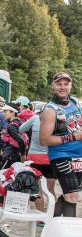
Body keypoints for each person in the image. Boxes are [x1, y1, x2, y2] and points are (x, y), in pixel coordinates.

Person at [40, 72, 82, 217]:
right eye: (59, 84)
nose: (62, 87)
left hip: (78, 157)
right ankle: (68, 236)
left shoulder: (75, 103)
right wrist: (73, 137)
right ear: (53, 86)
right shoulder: (50, 110)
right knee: (72, 196)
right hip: (61, 156)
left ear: (70, 85)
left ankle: (50, 224)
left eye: (66, 84)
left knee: (69, 195)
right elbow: (44, 139)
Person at [19, 110, 56, 211]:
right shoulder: (56, 120)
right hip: (50, 158)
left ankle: (40, 217)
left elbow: (21, 129)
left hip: (34, 158)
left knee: (37, 189)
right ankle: (51, 215)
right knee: (50, 190)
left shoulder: (35, 118)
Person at [0, 102, 28, 169]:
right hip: (14, 156)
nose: (3, 113)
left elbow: (21, 141)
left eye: (5, 111)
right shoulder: (19, 122)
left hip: (10, 157)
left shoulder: (11, 126)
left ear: (13, 112)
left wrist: (23, 155)